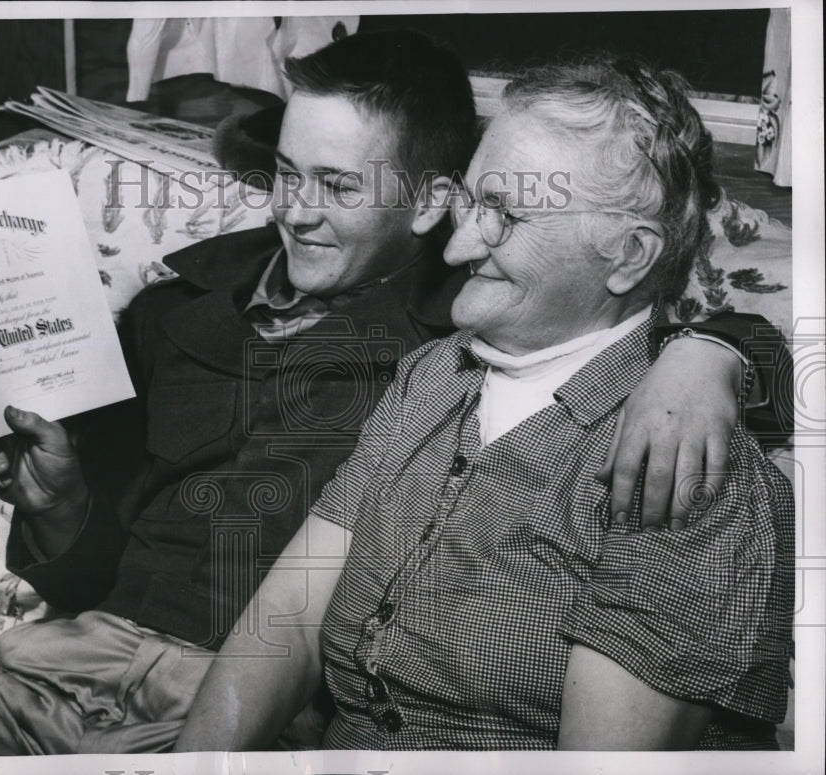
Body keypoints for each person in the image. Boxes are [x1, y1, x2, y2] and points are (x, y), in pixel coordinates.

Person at [0, 33, 789, 756]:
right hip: (64, 666)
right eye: (285, 175)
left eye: (337, 184)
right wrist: (60, 504)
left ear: (421, 204)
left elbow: (643, 332)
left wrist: (714, 350)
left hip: (233, 705)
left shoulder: (456, 336)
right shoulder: (197, 312)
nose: (296, 210)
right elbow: (161, 573)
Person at [176, 55, 794, 751]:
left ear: (627, 255)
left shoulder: (680, 461)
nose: (459, 244)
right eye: (471, 200)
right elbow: (284, 624)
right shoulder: (430, 376)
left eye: (502, 215)